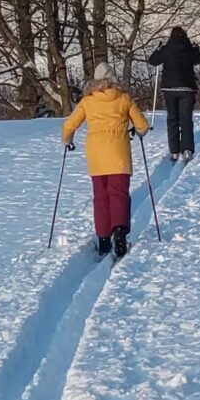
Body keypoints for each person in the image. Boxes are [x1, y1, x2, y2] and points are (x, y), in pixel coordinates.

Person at [61, 62, 150, 257]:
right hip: (118, 154)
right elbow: (143, 125)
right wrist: (138, 130)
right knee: (119, 194)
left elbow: (69, 125)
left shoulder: (87, 101)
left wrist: (67, 140)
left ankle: (103, 239)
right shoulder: (124, 98)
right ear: (113, 79)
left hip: (97, 156)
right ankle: (119, 233)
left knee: (101, 196)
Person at [148, 26, 200, 162]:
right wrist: (197, 49)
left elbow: (153, 60)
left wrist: (158, 48)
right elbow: (199, 60)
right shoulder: (190, 49)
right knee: (186, 119)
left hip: (169, 89)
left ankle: (174, 151)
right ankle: (187, 149)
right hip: (187, 88)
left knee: (172, 119)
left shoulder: (166, 50)